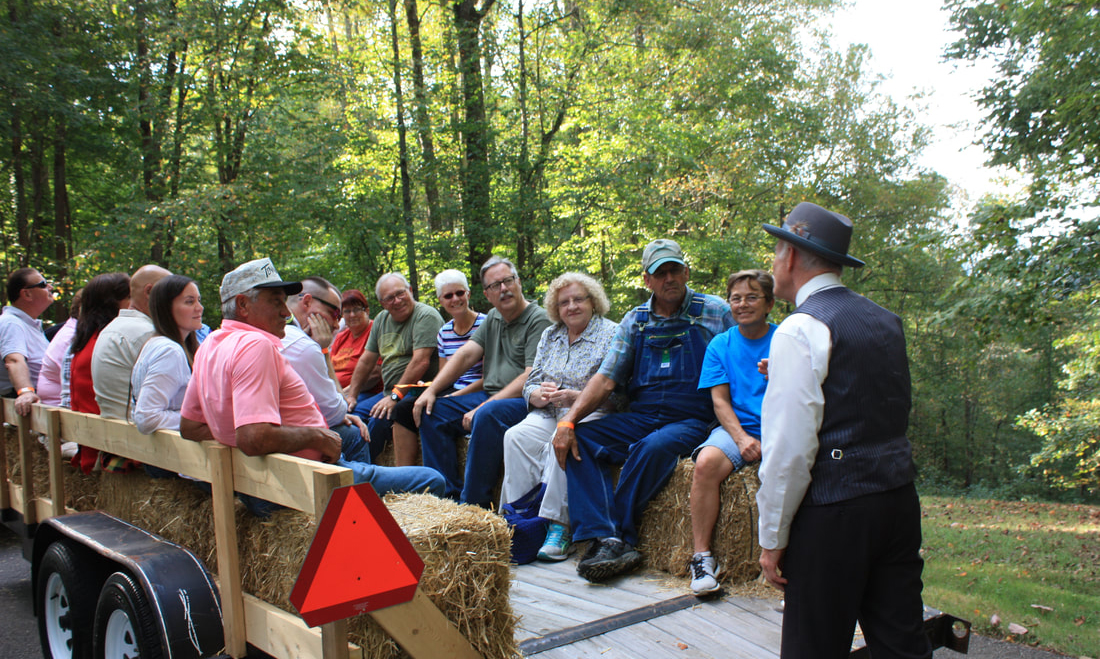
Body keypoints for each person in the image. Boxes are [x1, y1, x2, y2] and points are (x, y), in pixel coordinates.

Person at [756, 202, 929, 659]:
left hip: (834, 512)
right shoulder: (884, 319)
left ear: (792, 256)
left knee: (813, 648)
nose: (773, 263)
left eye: (776, 251)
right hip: (897, 499)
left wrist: (772, 538)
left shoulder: (799, 329)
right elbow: (871, 399)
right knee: (902, 645)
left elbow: (789, 451)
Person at [179, 259, 442, 516]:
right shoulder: (256, 345)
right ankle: (360, 517)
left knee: (354, 432)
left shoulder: (211, 343)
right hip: (301, 482)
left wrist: (233, 433)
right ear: (243, 304)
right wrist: (318, 438)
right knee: (432, 479)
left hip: (264, 483)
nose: (286, 312)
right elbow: (253, 437)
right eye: (276, 302)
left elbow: (189, 426)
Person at [551, 239, 733, 582]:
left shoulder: (715, 311)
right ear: (647, 280)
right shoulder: (635, 320)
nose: (669, 279)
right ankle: (603, 535)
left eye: (674, 270)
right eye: (660, 273)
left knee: (651, 448)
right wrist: (569, 421)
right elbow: (606, 378)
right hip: (643, 415)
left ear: (686, 272)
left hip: (692, 418)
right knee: (581, 438)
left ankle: (621, 537)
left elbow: (744, 355)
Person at [415, 256, 552, 507]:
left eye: (508, 280)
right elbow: (466, 354)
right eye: (495, 285)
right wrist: (431, 390)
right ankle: (445, 499)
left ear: (518, 282)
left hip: (524, 401)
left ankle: (473, 506)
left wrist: (481, 407)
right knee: (432, 411)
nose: (504, 289)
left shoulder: (538, 319)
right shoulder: (494, 318)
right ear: (487, 294)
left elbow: (529, 376)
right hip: (490, 396)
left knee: (487, 414)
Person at [500, 272, 617, 561]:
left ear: (593, 302)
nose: (572, 307)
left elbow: (620, 393)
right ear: (556, 308)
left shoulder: (612, 334)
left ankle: (558, 526)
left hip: (590, 413)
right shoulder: (551, 335)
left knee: (561, 436)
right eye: (564, 302)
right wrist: (536, 394)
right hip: (549, 410)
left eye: (579, 299)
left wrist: (577, 397)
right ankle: (519, 520)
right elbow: (530, 382)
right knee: (515, 436)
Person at [687, 269, 776, 595]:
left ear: (769, 303)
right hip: (738, 427)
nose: (742, 304)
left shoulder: (786, 340)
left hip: (781, 428)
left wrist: (782, 374)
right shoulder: (720, 345)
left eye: (752, 297)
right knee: (705, 463)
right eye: (736, 298)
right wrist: (741, 439)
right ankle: (702, 559)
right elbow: (720, 402)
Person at [389, 269, 485, 466]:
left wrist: (453, 397)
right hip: (454, 389)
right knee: (401, 409)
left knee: (432, 410)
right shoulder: (444, 332)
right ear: (441, 300)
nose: (455, 299)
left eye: (459, 293)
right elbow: (444, 376)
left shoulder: (486, 325)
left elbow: (490, 378)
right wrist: (428, 388)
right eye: (448, 296)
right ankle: (405, 475)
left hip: (477, 389)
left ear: (468, 293)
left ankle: (441, 478)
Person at [343, 273, 444, 461]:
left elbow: (421, 361)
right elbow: (366, 360)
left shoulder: (425, 316)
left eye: (400, 293)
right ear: (382, 303)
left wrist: (395, 396)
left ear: (410, 291)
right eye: (389, 298)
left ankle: (363, 469)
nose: (397, 301)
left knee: (378, 420)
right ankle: (345, 465)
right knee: (351, 416)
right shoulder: (381, 320)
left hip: (418, 390)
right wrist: (352, 396)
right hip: (388, 392)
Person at [282, 277, 371, 458]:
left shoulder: (278, 332)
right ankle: (354, 478)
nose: (337, 324)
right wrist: (324, 351)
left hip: (272, 438)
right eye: (335, 313)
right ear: (307, 302)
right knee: (354, 434)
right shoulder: (303, 346)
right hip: (292, 447)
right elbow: (337, 412)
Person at [67, 272, 131, 473]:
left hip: (93, 444)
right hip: (107, 452)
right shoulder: (107, 344)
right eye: (130, 297)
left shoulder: (88, 340)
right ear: (113, 303)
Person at [91, 264, 171, 419]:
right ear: (149, 292)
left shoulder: (110, 329)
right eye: (170, 292)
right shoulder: (149, 335)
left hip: (113, 427)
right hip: (138, 429)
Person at [129, 275, 204, 435]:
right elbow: (147, 417)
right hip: (170, 448)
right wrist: (198, 419)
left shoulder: (158, 344)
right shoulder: (169, 351)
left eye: (199, 300)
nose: (199, 308)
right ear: (166, 308)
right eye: (189, 302)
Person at [0, 267, 54, 416]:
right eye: (43, 285)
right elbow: (13, 360)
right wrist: (25, 392)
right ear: (27, 294)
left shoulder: (27, 324)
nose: (50, 287)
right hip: (27, 411)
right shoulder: (11, 323)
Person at [329, 289, 375, 391]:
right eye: (347, 311)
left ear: (367, 311)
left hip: (364, 392)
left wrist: (344, 394)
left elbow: (374, 375)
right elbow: (329, 369)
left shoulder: (375, 332)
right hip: (336, 392)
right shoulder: (341, 337)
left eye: (356, 310)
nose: (352, 315)